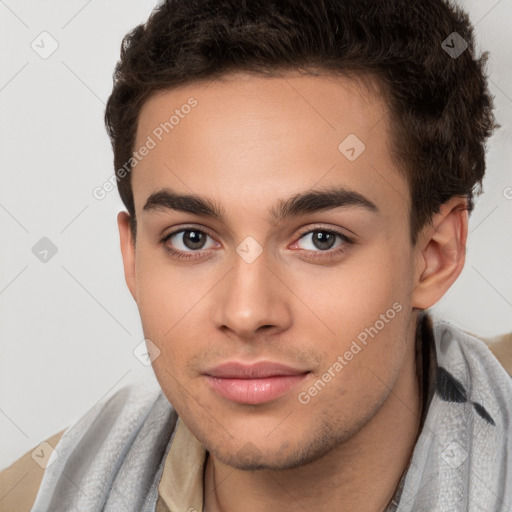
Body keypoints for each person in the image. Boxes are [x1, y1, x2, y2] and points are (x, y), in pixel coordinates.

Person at [1, 0, 511, 510]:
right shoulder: (35, 495)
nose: (246, 314)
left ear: (436, 254)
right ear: (132, 257)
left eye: (320, 239)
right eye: (191, 239)